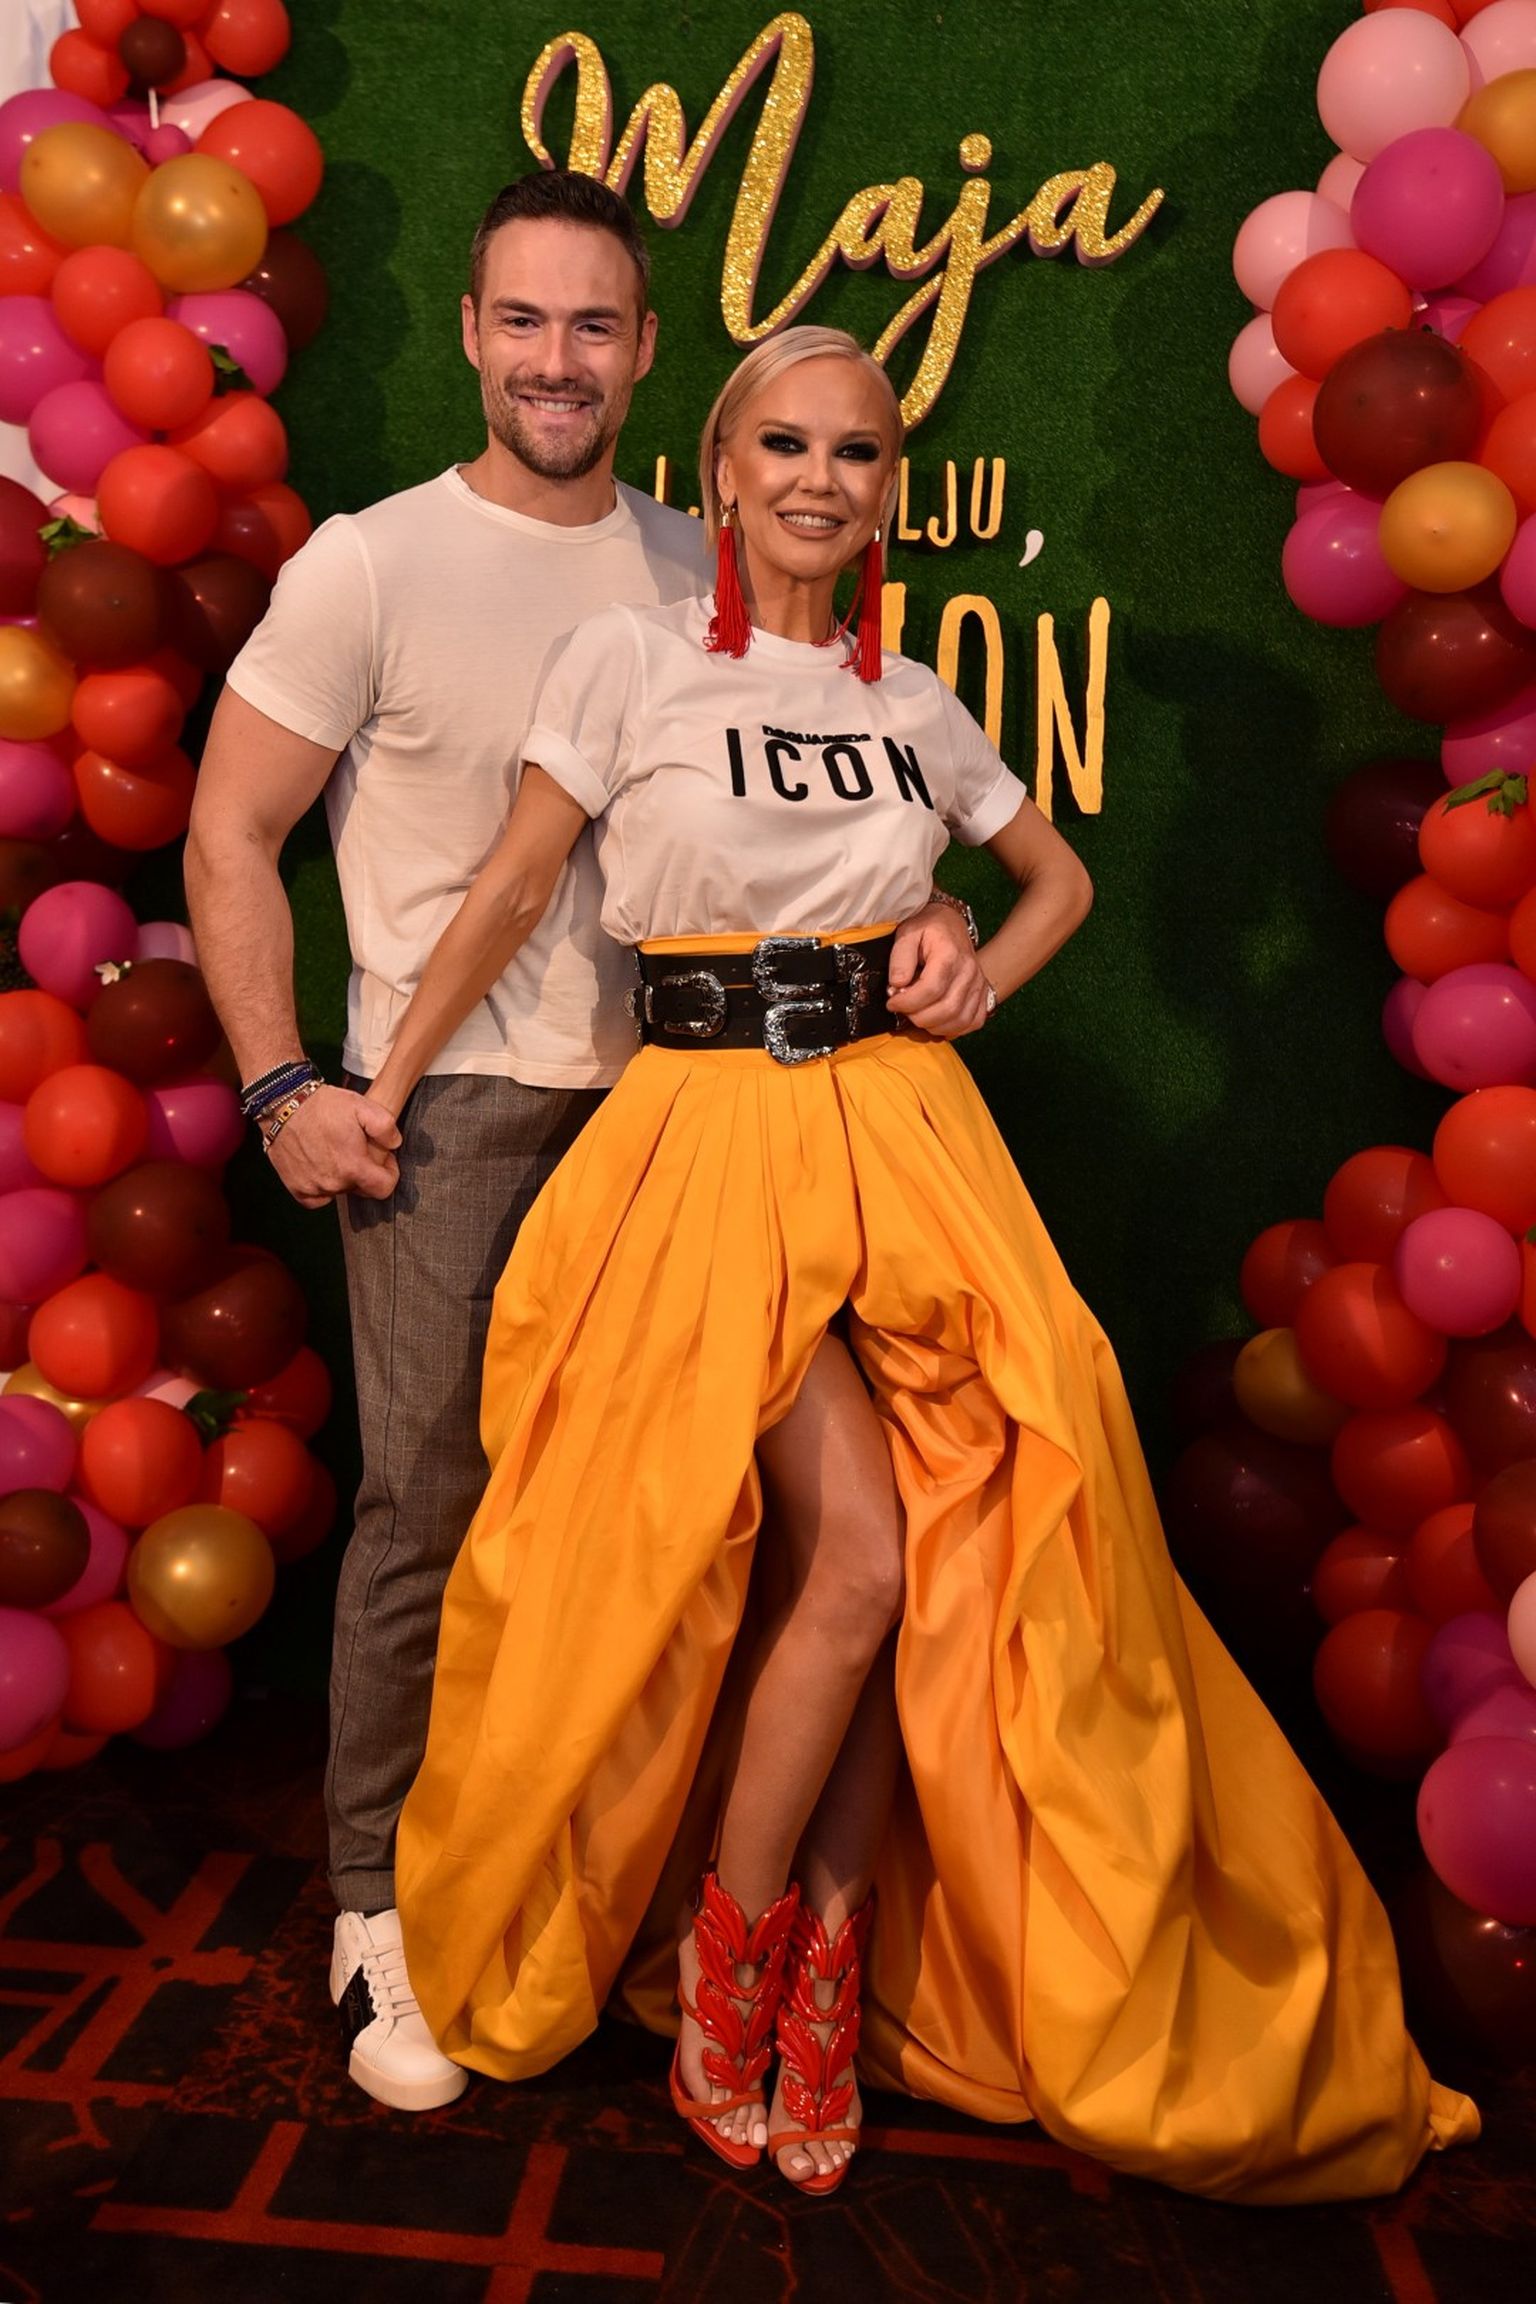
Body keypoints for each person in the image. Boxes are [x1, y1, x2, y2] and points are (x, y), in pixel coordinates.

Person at [365, 323, 1478, 2198]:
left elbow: (1061, 882)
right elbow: (515, 882)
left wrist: (972, 967)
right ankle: (726, 1968)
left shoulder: (915, 698)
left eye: (858, 452)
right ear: (721, 472)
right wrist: (383, 1089)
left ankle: (829, 1962)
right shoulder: (630, 657)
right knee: (857, 1553)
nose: (820, 479)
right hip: (707, 1144)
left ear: (889, 490)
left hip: (902, 1135)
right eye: (786, 445)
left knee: (960, 1544)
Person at [185, 180, 984, 2116]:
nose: (559, 360)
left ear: (646, 357)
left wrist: (941, 916)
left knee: (669, 1534)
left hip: (690, 1117)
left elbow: (816, 819)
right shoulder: (372, 565)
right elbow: (229, 835)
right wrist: (287, 1083)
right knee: (434, 1510)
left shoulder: (705, 560)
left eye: (597, 326)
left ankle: (597, 1894)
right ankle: (381, 1901)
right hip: (452, 1112)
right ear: (472, 332)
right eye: (525, 322)